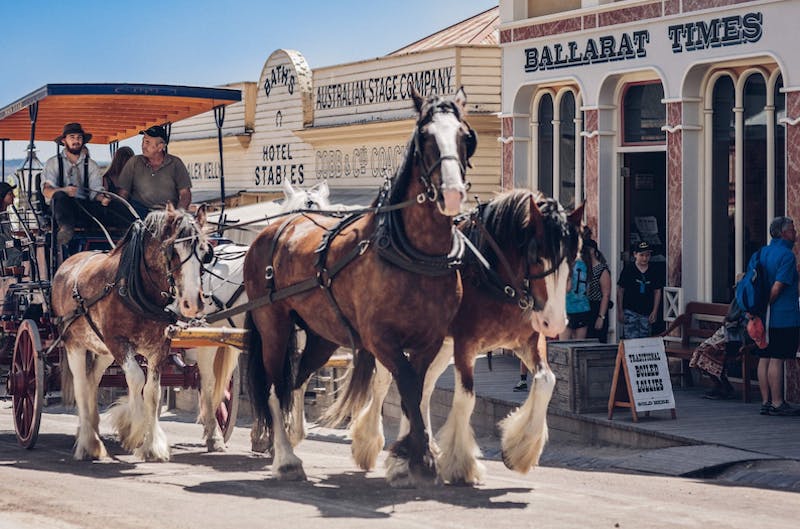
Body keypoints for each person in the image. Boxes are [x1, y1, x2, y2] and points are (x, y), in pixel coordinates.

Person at [752, 216, 800, 416]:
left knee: (764, 356)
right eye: (793, 229)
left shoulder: (762, 252)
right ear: (783, 233)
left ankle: (765, 401)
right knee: (777, 358)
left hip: (762, 316)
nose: (795, 233)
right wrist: (767, 305)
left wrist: (759, 309)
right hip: (782, 315)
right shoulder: (787, 256)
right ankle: (778, 403)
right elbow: (778, 287)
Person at [41, 123, 109, 246]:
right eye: (72, 137)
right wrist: (64, 190)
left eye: (79, 138)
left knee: (108, 208)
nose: (76, 141)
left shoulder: (92, 165)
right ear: (64, 140)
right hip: (59, 211)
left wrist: (103, 198)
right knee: (60, 196)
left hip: (83, 208)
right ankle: (65, 231)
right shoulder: (53, 163)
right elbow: (47, 191)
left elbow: (95, 191)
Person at [117, 125, 192, 219]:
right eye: (143, 141)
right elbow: (123, 193)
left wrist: (178, 215)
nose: (143, 146)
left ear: (160, 147)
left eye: (147, 142)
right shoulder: (134, 162)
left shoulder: (175, 163)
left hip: (166, 216)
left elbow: (185, 194)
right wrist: (126, 215)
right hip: (139, 216)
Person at [617, 241, 663, 339]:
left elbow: (657, 291)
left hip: (646, 311)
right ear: (635, 255)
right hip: (630, 310)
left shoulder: (653, 270)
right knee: (630, 338)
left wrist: (655, 311)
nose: (644, 258)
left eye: (647, 255)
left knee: (645, 338)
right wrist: (620, 310)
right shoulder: (628, 269)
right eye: (641, 255)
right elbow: (620, 290)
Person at [100, 147, 137, 229]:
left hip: (131, 210)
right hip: (114, 212)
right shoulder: (106, 178)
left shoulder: (134, 178)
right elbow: (103, 197)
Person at [583, 236, 612, 343]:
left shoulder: (601, 269)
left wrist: (601, 316)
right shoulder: (583, 268)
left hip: (597, 306)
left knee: (597, 340)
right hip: (585, 307)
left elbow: (606, 294)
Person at [563, 254, 590, 339]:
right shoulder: (584, 265)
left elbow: (568, 288)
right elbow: (588, 289)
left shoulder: (566, 265)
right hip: (583, 307)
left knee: (564, 346)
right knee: (579, 345)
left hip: (567, 307)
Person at [0, 182, 23, 270]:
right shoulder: (2, 216)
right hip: (6, 259)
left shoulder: (5, 214)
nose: (13, 196)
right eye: (10, 194)